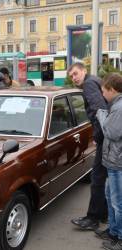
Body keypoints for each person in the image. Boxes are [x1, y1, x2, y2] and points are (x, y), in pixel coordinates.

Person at [68, 62, 108, 230]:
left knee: (97, 179)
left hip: (105, 138)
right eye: (71, 76)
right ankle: (104, 214)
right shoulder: (95, 81)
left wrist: (97, 136)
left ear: (84, 71)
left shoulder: (89, 84)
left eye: (76, 73)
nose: (74, 78)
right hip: (110, 136)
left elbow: (99, 110)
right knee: (103, 179)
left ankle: (93, 219)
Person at [96, 73, 122, 250]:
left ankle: (120, 238)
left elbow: (112, 133)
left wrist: (101, 115)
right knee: (110, 197)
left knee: (118, 203)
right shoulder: (116, 105)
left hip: (118, 163)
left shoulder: (119, 108)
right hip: (113, 162)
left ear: (112, 90)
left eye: (104, 91)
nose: (102, 94)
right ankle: (113, 231)